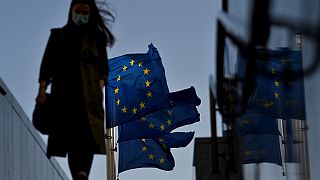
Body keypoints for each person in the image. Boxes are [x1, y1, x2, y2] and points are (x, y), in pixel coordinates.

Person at [35, 0, 114, 179]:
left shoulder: (98, 38)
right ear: (71, 11)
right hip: (63, 94)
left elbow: (104, 69)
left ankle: (82, 173)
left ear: (90, 13)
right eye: (78, 10)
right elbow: (46, 66)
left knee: (87, 137)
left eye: (85, 11)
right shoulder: (58, 36)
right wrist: (41, 91)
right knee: (69, 137)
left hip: (88, 96)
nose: (81, 14)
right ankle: (77, 174)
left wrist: (97, 87)